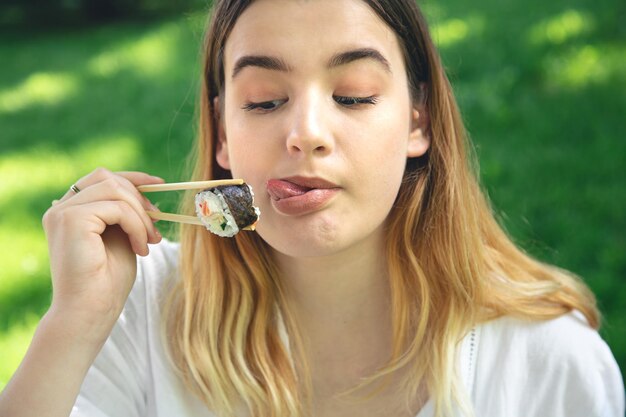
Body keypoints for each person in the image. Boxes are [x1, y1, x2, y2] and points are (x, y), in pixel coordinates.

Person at [0, 0, 623, 416]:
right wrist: (73, 324)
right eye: (265, 101)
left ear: (418, 121)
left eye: (352, 96)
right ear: (222, 136)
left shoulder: (547, 363)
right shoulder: (132, 311)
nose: (304, 133)